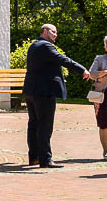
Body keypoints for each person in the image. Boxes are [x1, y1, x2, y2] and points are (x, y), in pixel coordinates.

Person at [21, 22, 94, 168]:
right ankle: (46, 160)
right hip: (43, 91)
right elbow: (63, 59)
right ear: (45, 31)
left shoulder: (33, 45)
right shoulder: (46, 46)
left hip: (31, 90)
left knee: (34, 124)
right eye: (53, 32)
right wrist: (82, 70)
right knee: (44, 125)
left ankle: (34, 157)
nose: (56, 34)